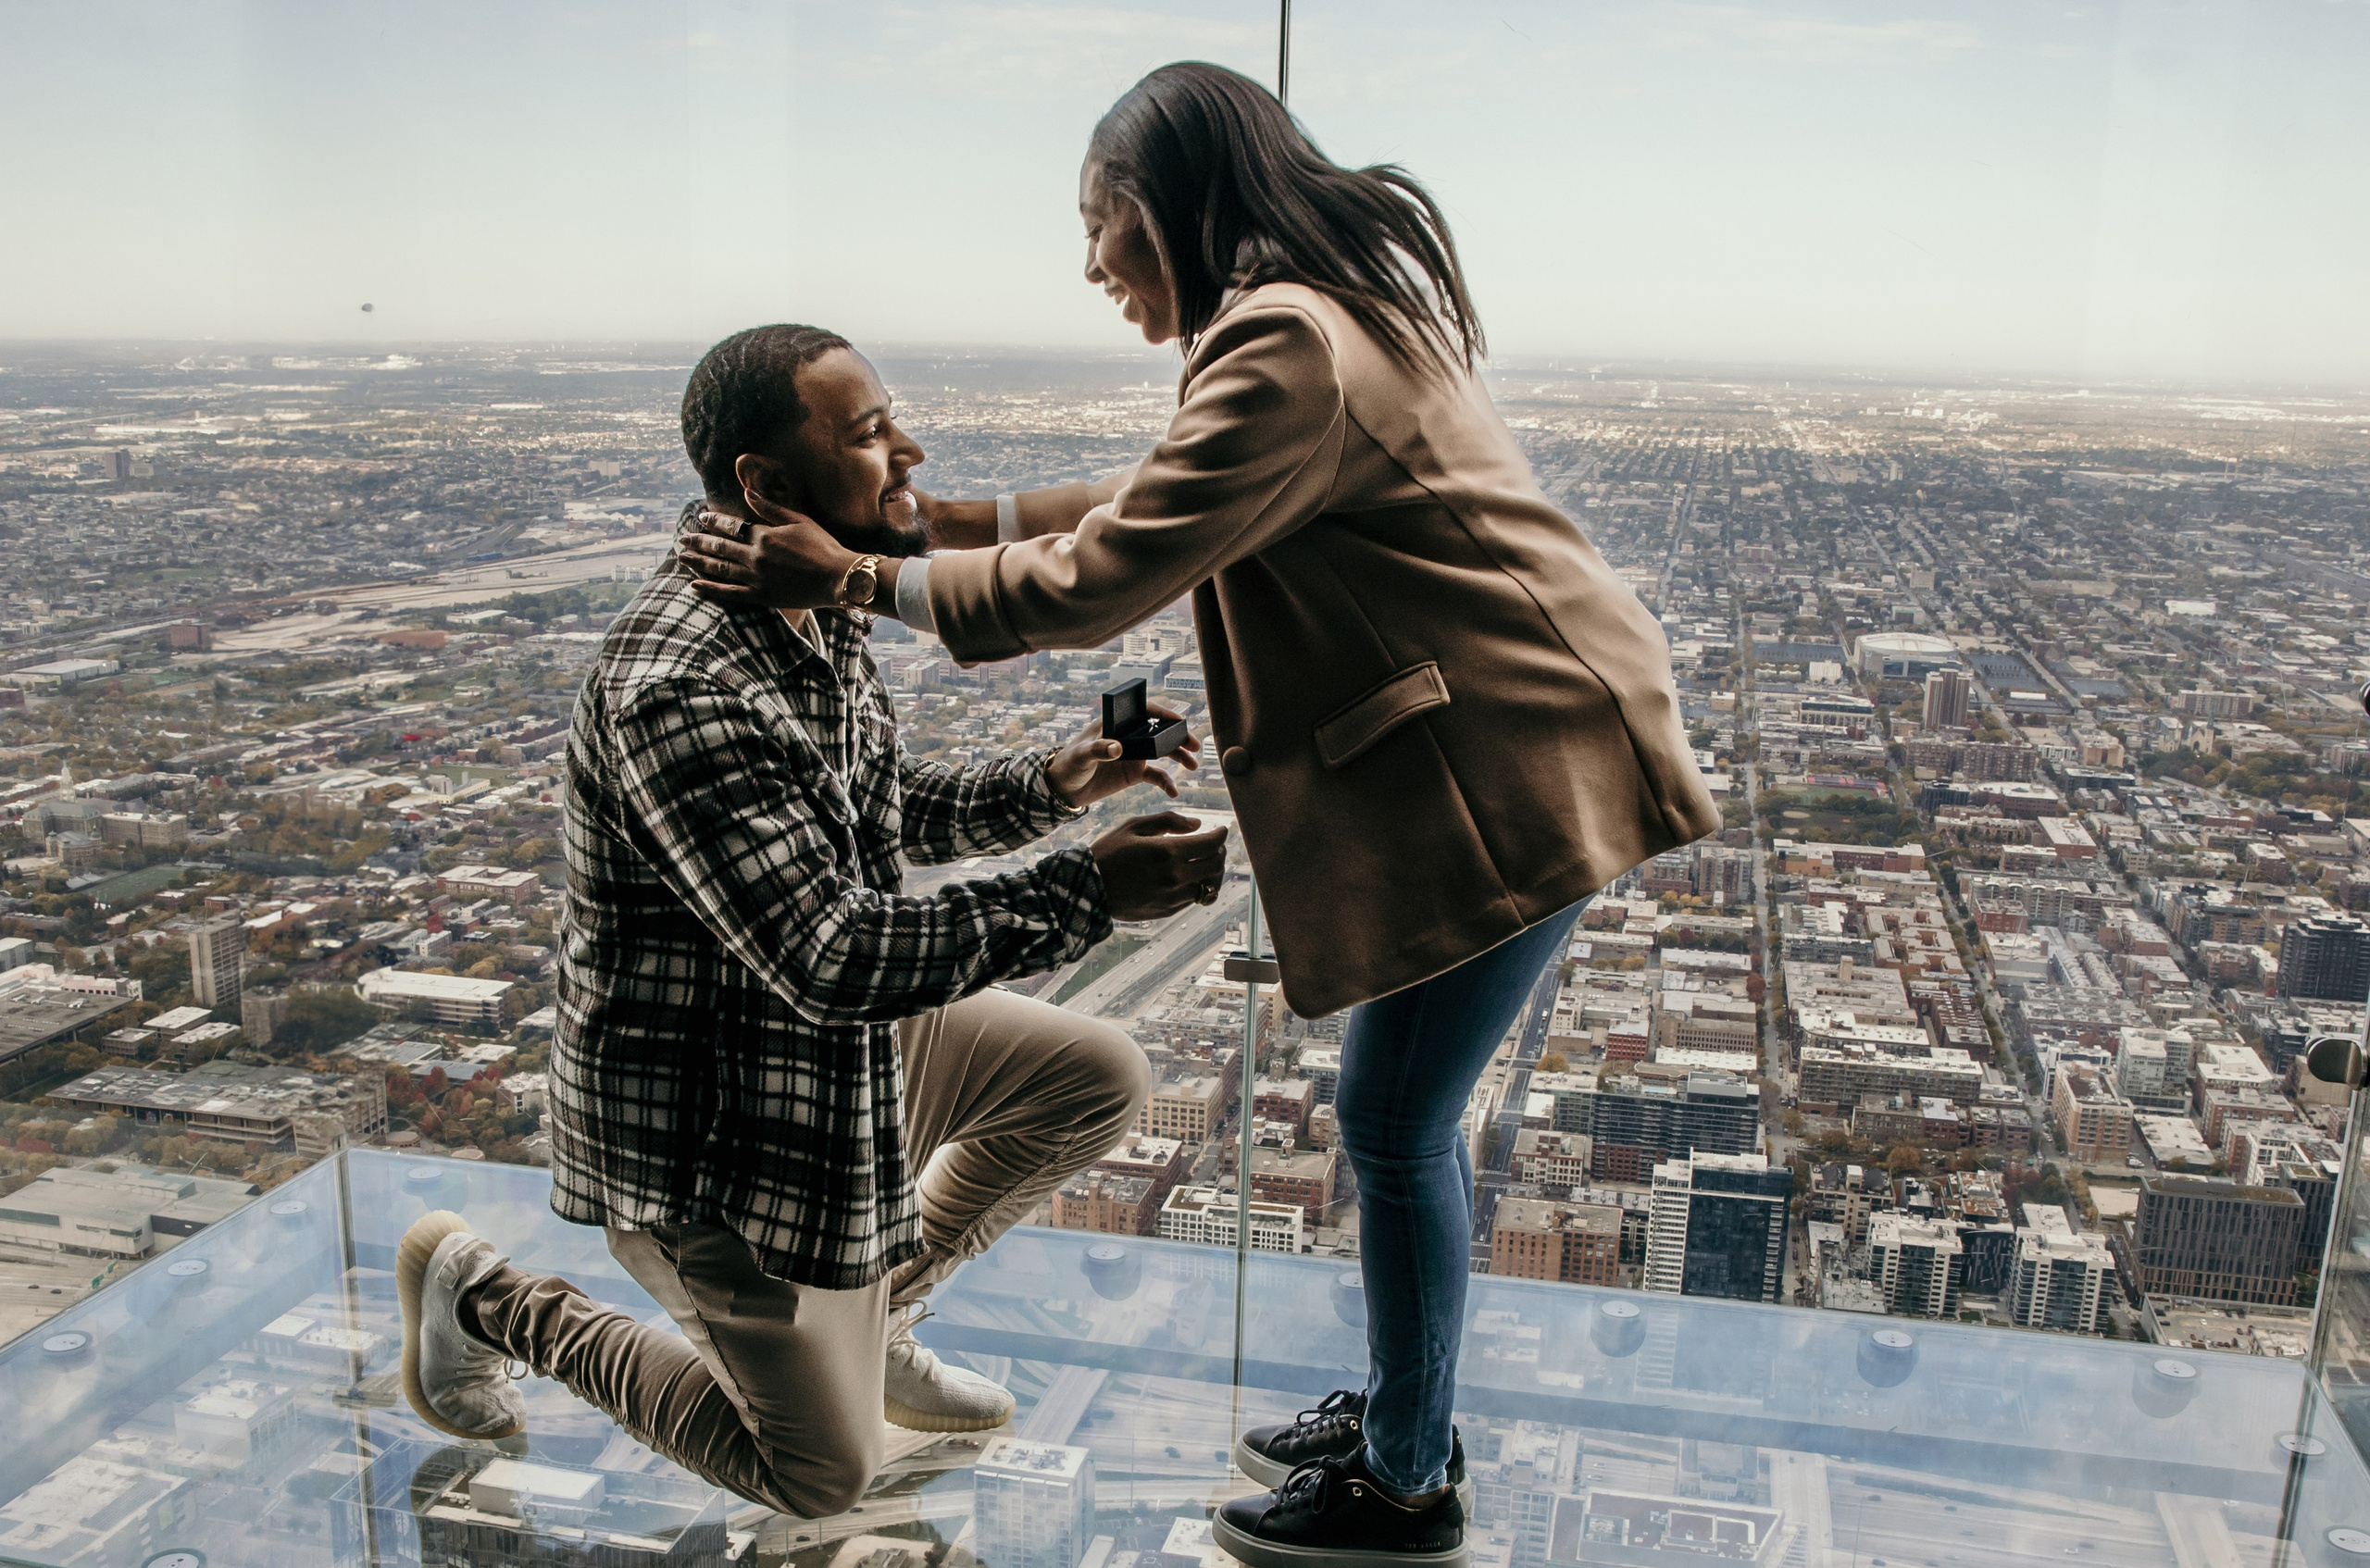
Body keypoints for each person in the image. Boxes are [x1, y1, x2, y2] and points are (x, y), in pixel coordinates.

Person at [680, 64, 1718, 1568]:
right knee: (1398, 1117)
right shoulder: (1321, 315)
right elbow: (1154, 491)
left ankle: (1405, 1482)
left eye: (1099, 221)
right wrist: (945, 523)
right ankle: (1404, 1421)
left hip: (1517, 766)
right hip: (1526, 742)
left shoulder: (1285, 340)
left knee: (1393, 1121)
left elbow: (1100, 579)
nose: (1092, 262)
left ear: (1169, 203)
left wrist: (852, 575)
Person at [393, 323, 1229, 1521]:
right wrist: (1087, 893)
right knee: (819, 1475)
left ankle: (879, 1319)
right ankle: (487, 1299)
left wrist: (1056, 780)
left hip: (831, 1055)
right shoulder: (679, 684)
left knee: (1096, 1077)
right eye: (871, 433)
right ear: (765, 485)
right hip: (714, 1126)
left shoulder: (806, 602)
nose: (910, 451)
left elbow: (879, 810)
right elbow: (830, 954)